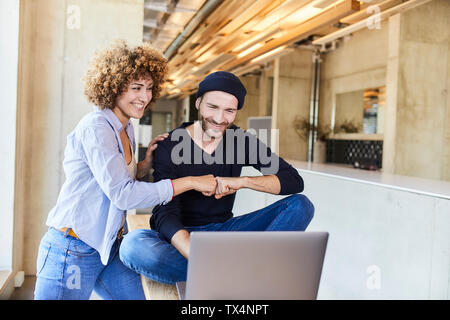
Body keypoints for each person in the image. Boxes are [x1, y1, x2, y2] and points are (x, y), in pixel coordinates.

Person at [33, 41, 217, 300]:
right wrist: (190, 182)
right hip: (72, 249)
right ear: (114, 86)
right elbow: (122, 194)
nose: (145, 97)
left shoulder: (125, 127)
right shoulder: (96, 127)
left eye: (150, 88)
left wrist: (144, 165)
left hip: (108, 246)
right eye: (136, 88)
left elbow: (115, 179)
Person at [119, 71, 315, 285]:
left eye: (229, 110)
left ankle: (225, 271)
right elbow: (166, 212)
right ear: (199, 103)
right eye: (213, 107)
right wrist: (195, 253)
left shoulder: (240, 141)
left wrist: (243, 182)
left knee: (300, 206)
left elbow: (293, 180)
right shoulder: (170, 144)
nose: (220, 119)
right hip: (181, 235)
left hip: (225, 233)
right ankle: (245, 272)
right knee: (133, 247)